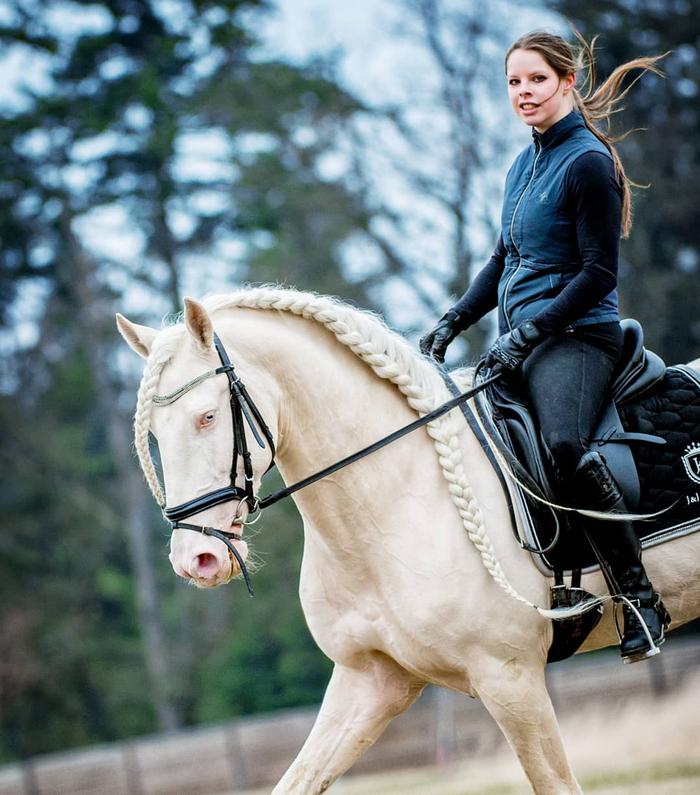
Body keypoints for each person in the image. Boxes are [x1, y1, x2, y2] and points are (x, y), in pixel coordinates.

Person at [419, 31, 671, 663]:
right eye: (513, 82)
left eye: (535, 80)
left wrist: (528, 333)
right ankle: (553, 585)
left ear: (566, 82)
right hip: (522, 340)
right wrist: (452, 321)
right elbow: (506, 257)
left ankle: (641, 598)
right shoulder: (523, 165)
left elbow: (598, 276)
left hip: (580, 336)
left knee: (563, 446)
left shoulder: (587, 162)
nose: (523, 93)